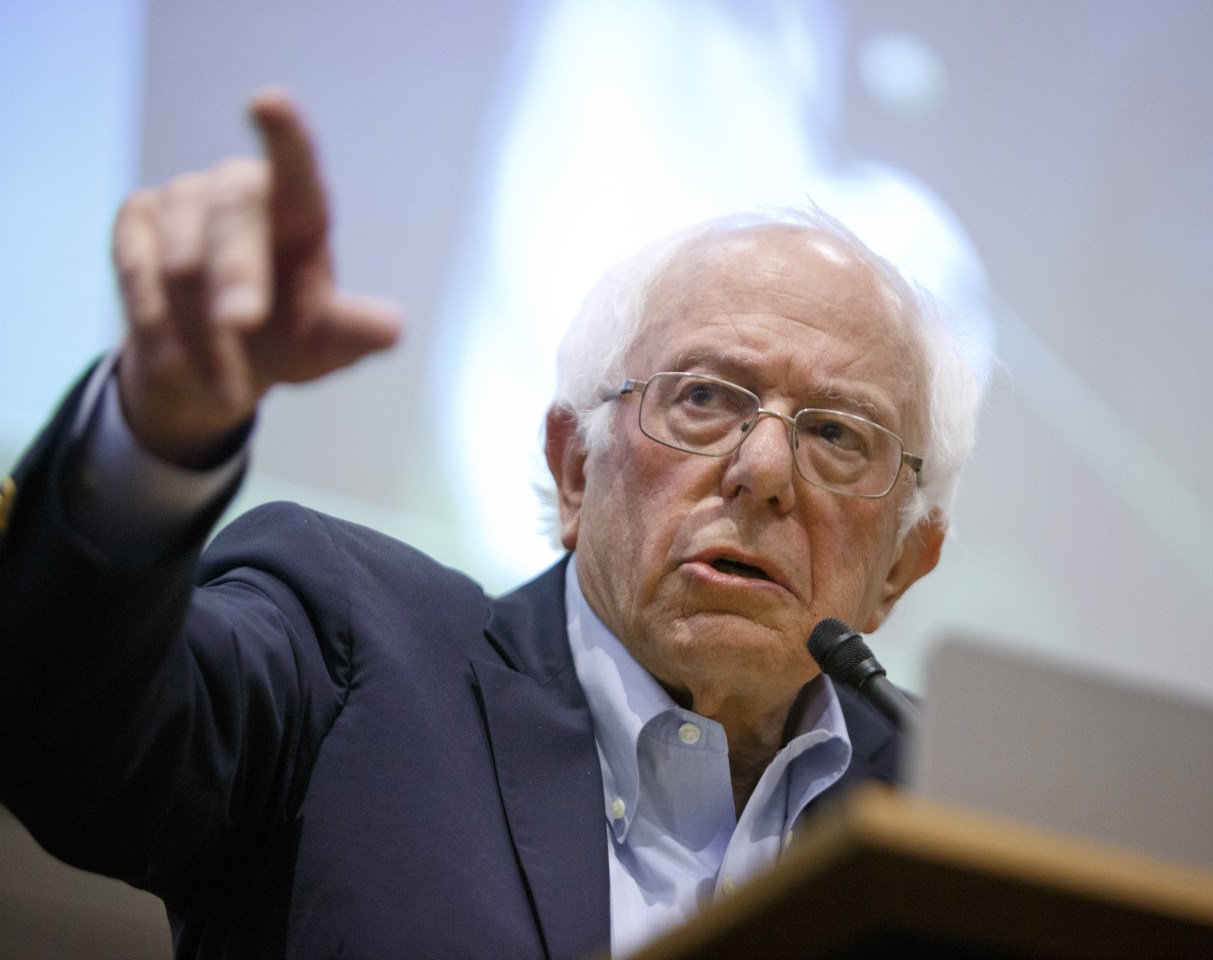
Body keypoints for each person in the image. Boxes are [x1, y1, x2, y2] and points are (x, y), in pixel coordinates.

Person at [0, 91, 981, 959]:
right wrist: (155, 433)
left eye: (839, 435)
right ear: (575, 471)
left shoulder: (968, 835)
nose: (764, 470)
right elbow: (70, 737)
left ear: (904, 563)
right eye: (705, 398)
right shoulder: (347, 656)